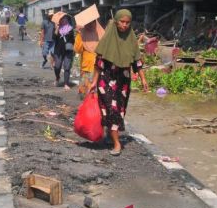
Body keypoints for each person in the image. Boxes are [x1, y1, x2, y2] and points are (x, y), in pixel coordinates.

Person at [88, 9, 148, 156]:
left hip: (123, 81)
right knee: (111, 109)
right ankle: (117, 143)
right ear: (116, 21)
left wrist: (143, 78)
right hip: (106, 79)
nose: (125, 25)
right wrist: (94, 81)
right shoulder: (108, 38)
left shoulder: (131, 38)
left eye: (128, 23)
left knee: (119, 110)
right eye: (122, 22)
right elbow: (99, 62)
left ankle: (110, 133)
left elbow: (137, 61)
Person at [74, 18, 104, 98]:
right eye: (88, 23)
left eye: (92, 22)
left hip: (98, 69)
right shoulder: (82, 34)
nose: (90, 25)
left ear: (95, 23)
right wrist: (79, 35)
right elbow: (78, 50)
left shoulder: (101, 34)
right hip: (86, 69)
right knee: (84, 95)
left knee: (96, 95)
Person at [53, 14, 75, 90]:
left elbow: (73, 40)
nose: (64, 20)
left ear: (68, 20)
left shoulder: (71, 29)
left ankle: (66, 83)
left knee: (67, 67)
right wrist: (57, 28)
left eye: (65, 19)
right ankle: (57, 77)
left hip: (68, 51)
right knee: (57, 66)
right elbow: (54, 38)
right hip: (58, 50)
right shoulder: (57, 29)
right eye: (62, 19)